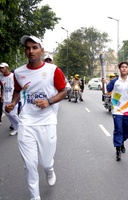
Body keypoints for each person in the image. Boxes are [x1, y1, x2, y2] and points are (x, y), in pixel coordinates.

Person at [5, 35, 66, 200]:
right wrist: (12, 102)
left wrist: (49, 101)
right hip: (26, 121)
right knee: (30, 165)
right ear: (25, 51)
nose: (31, 51)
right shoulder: (18, 72)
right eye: (27, 48)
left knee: (45, 162)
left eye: (34, 47)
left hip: (47, 121)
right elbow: (18, 91)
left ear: (41, 50)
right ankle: (35, 197)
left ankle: (49, 169)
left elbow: (63, 91)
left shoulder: (54, 70)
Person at [105, 62, 128, 161]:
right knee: (118, 129)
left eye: (126, 67)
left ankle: (122, 142)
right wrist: (104, 83)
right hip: (117, 109)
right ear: (119, 69)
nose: (124, 69)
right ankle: (118, 150)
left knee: (126, 130)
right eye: (122, 67)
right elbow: (107, 91)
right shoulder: (115, 81)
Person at [0, 62, 19, 135]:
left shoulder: (13, 76)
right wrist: (2, 96)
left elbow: (18, 87)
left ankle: (21, 127)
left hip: (13, 98)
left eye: (3, 67)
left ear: (7, 68)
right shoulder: (1, 77)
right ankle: (16, 127)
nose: (1, 69)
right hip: (5, 98)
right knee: (6, 112)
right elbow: (2, 87)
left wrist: (16, 98)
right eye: (0, 68)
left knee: (13, 114)